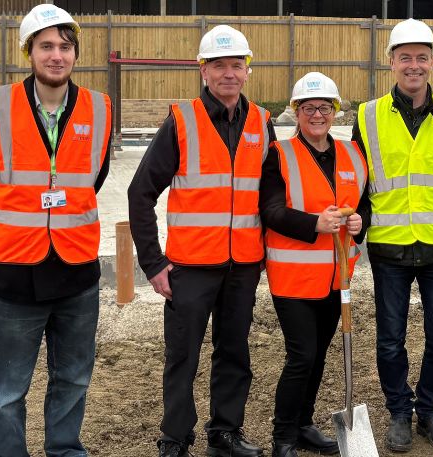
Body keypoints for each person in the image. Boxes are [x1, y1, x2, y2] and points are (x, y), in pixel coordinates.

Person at [126, 25, 274, 457]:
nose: (229, 74)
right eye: (219, 65)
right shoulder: (182, 120)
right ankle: (175, 438)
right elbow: (141, 192)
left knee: (235, 353)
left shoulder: (262, 123)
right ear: (203, 71)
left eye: (236, 65)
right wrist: (153, 264)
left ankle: (225, 432)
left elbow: (272, 195)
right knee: (182, 358)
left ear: (247, 70)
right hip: (189, 269)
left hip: (242, 265)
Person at [0, 4, 112, 456]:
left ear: (75, 54)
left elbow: (95, 178)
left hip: (76, 272)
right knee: (9, 390)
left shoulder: (100, 108)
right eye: (46, 46)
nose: (57, 55)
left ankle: (65, 450)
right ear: (28, 52)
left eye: (65, 47)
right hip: (16, 273)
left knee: (73, 378)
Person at [351, 18, 433, 454]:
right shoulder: (367, 117)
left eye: (422, 57)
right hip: (390, 249)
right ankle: (400, 414)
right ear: (391, 63)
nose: (414, 65)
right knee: (390, 340)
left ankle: (431, 412)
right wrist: (355, 226)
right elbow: (358, 182)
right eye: (405, 57)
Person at [259, 72, 367, 457]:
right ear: (296, 112)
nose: (317, 115)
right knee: (302, 355)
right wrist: (313, 224)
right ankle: (283, 435)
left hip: (338, 277)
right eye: (309, 108)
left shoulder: (353, 154)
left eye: (324, 107)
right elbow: (270, 210)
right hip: (293, 277)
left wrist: (359, 223)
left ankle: (304, 424)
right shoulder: (279, 154)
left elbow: (363, 205)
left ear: (335, 112)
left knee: (318, 354)